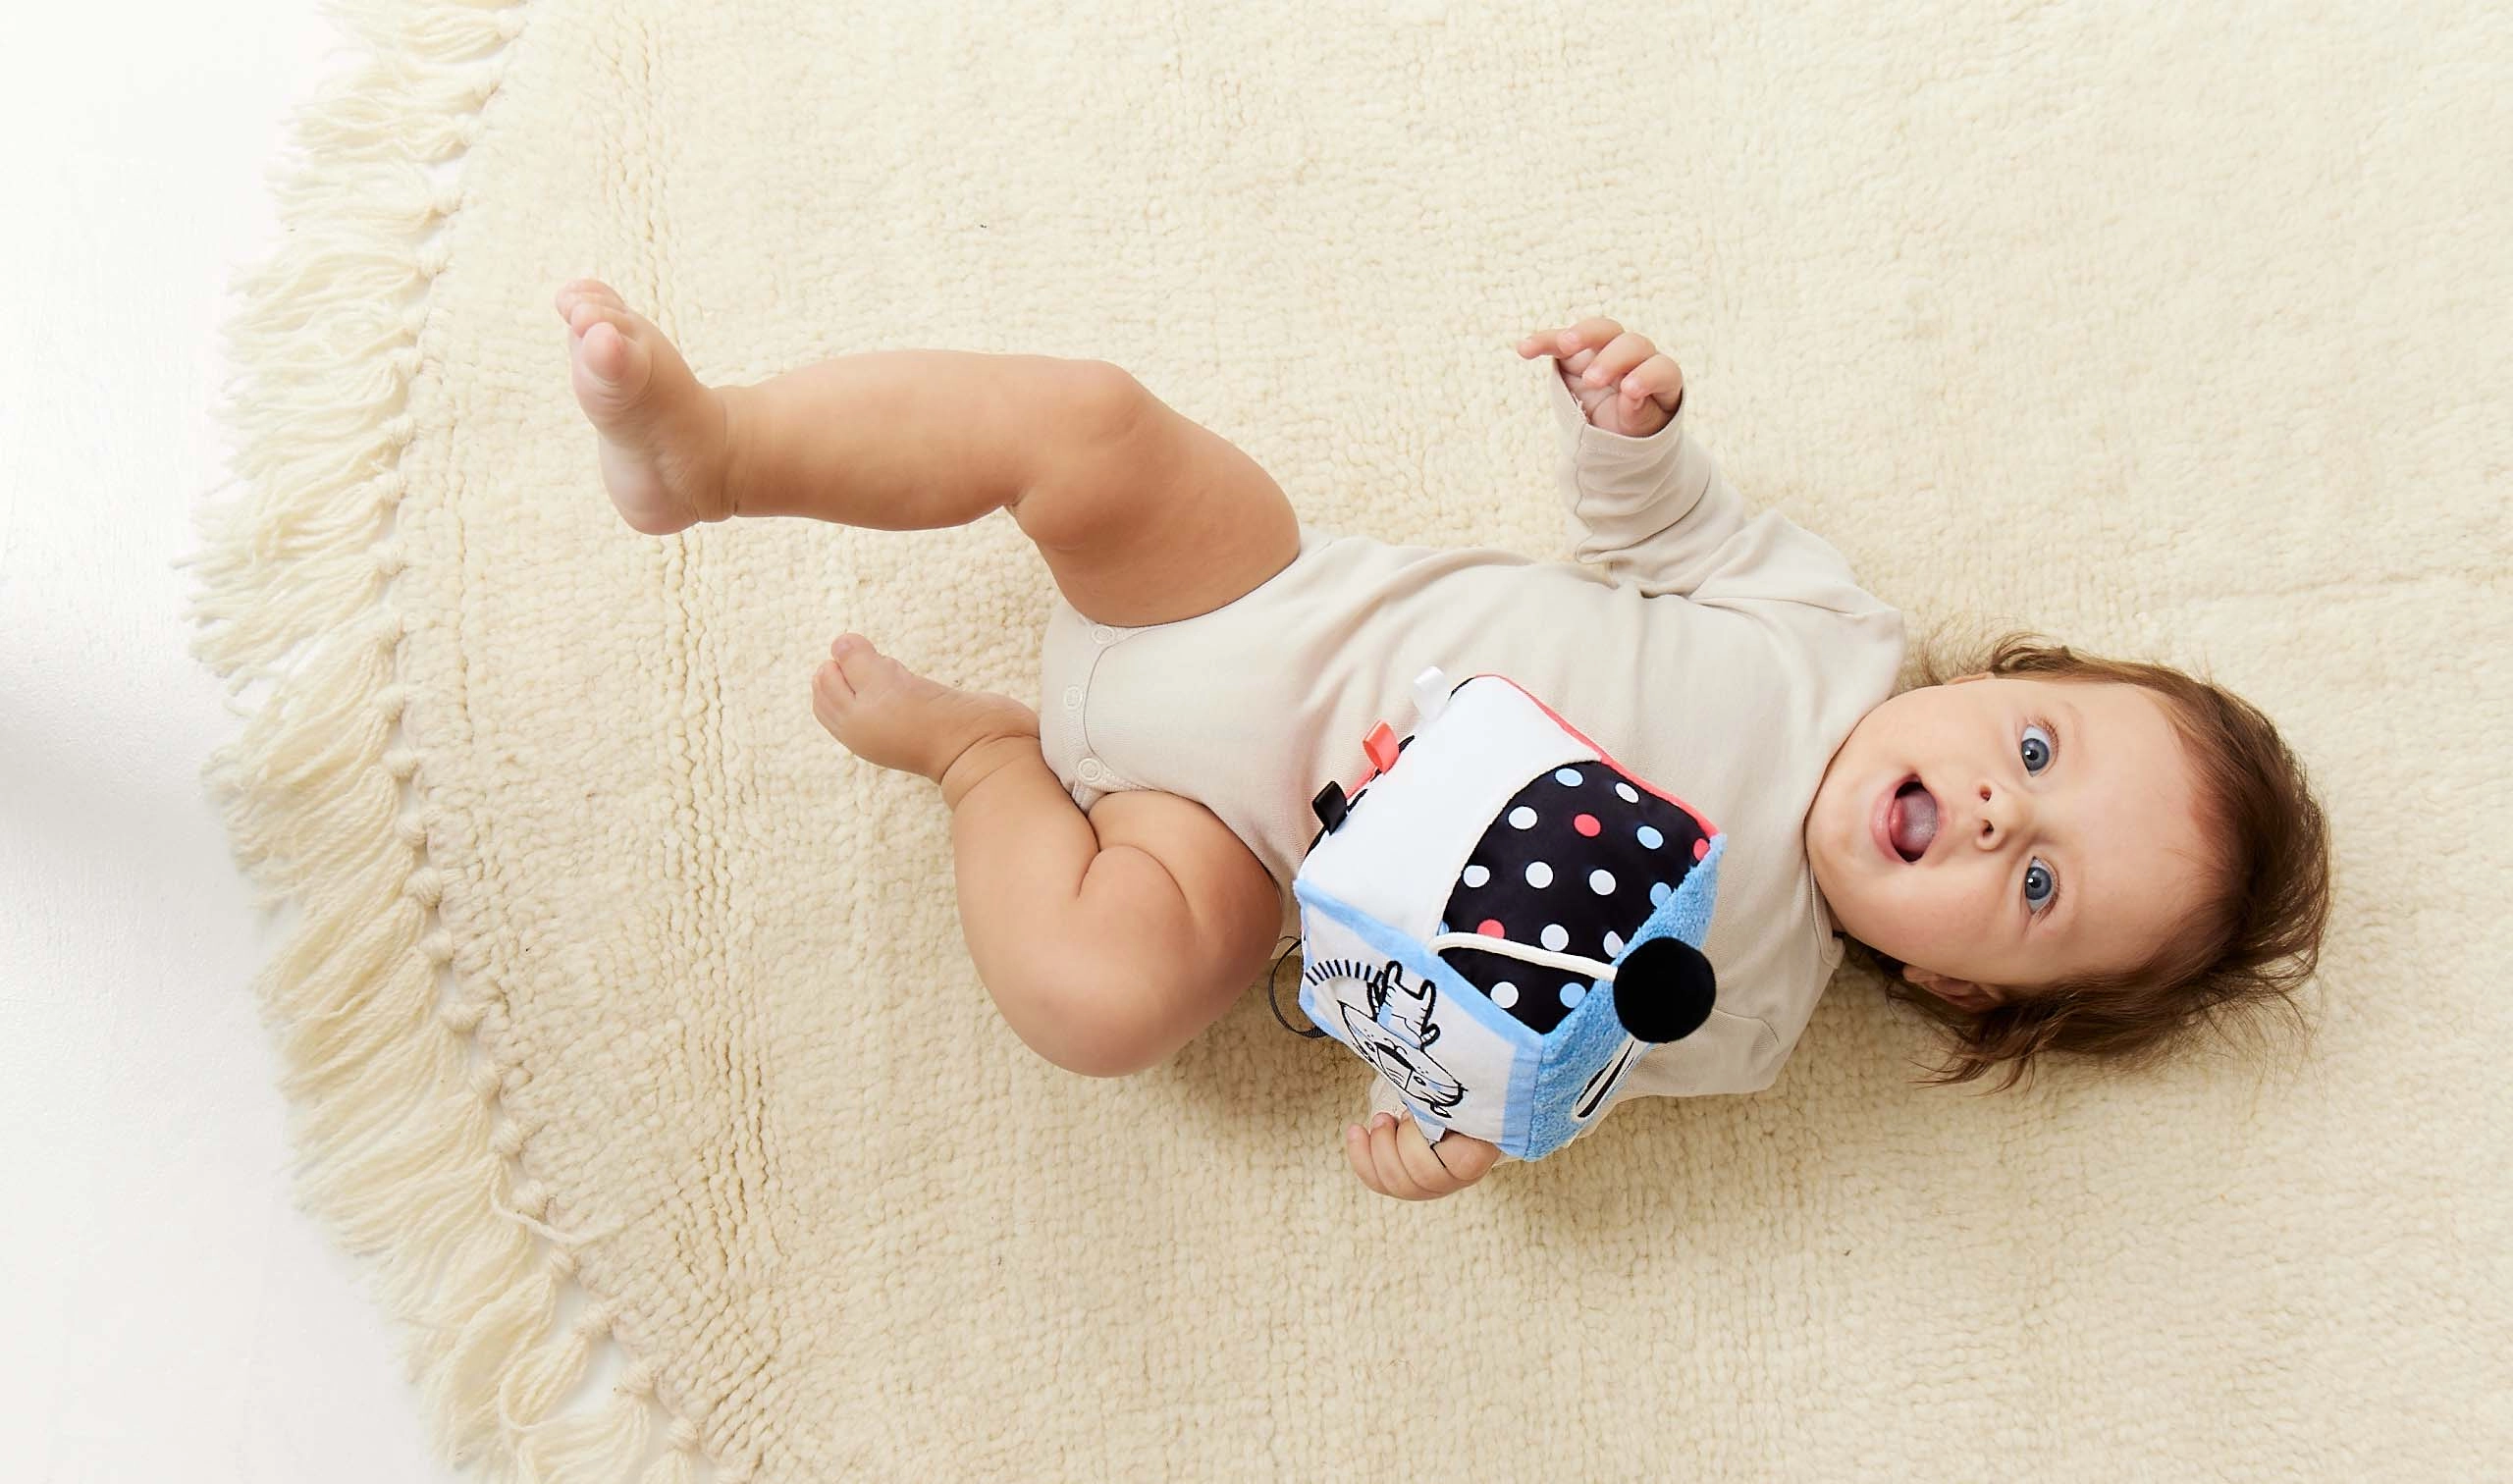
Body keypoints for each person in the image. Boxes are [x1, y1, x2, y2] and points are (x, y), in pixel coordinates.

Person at [549, 281, 2331, 1203]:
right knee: (1088, 422)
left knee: (1103, 1003)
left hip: (1219, 842)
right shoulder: (1831, 636)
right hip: (1255, 598)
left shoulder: (1745, 1012)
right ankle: (722, 448)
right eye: (2037, 749)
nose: (1999, 812)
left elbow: (1518, 1051)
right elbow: (1666, 532)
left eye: (2039, 886)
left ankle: (979, 764)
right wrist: (1633, 428)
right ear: (2000, 677)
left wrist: (1452, 1129)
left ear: (1959, 992)